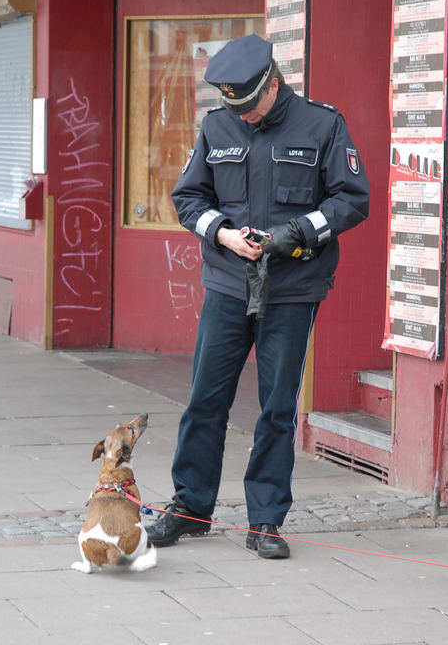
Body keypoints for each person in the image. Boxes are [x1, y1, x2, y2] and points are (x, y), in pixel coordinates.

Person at [146, 34, 370, 558]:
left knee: (276, 409)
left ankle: (266, 521)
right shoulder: (217, 125)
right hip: (227, 284)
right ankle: (189, 509)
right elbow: (187, 198)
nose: (242, 116)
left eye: (249, 105)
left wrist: (301, 230)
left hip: (291, 290)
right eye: (234, 106)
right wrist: (222, 233)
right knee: (205, 400)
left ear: (272, 83)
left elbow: (352, 199)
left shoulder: (323, 124)